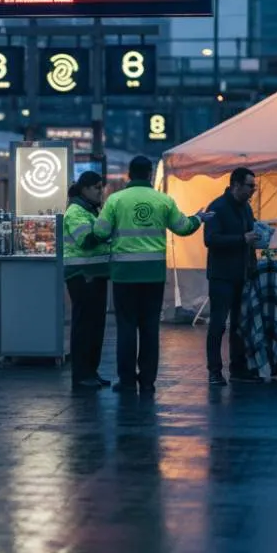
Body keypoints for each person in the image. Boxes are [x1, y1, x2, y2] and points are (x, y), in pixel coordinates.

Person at [92, 155, 211, 395]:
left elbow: (99, 231)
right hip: (153, 276)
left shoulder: (115, 200)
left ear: (129, 175)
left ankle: (126, 381)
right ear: (149, 174)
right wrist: (198, 219)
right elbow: (183, 227)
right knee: (149, 328)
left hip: (124, 275)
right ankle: (147, 381)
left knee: (126, 328)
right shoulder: (163, 200)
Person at [202, 168, 260, 386]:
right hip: (221, 276)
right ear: (236, 184)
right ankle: (214, 370)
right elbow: (211, 239)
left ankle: (238, 367)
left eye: (254, 186)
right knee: (218, 323)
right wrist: (241, 238)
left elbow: (248, 236)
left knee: (239, 323)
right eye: (250, 186)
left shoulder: (245, 207)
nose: (253, 190)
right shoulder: (217, 207)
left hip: (241, 274)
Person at [63, 171, 111, 389]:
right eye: (97, 187)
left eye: (102, 187)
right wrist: (108, 228)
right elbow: (86, 240)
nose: (101, 191)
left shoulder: (91, 210)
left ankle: (92, 371)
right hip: (82, 276)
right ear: (84, 189)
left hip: (96, 274)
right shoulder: (75, 212)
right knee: (84, 326)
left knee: (96, 326)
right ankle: (81, 374)